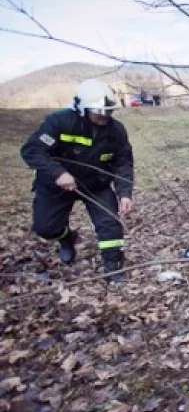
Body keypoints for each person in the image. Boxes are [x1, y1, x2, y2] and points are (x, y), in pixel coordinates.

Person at [20, 79, 134, 283]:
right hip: (55, 185)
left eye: (108, 111)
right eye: (99, 111)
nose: (104, 116)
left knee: (110, 223)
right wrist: (58, 173)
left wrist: (124, 193)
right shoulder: (58, 122)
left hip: (95, 185)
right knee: (45, 228)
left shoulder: (116, 131)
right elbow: (32, 150)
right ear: (82, 109)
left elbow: (123, 163)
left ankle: (113, 267)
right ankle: (66, 238)